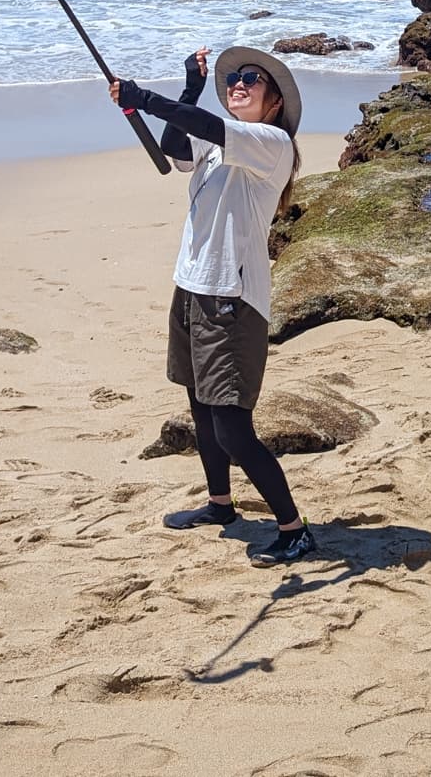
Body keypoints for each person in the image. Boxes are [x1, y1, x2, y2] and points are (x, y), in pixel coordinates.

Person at [108, 45, 317, 567]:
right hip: (193, 286)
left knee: (231, 426)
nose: (239, 84)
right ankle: (220, 504)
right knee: (200, 406)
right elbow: (177, 147)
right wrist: (188, 87)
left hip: (232, 297)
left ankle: (293, 529)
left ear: (274, 103)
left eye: (252, 79)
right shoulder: (220, 142)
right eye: (233, 79)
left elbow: (197, 123)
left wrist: (143, 98)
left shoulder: (271, 143)